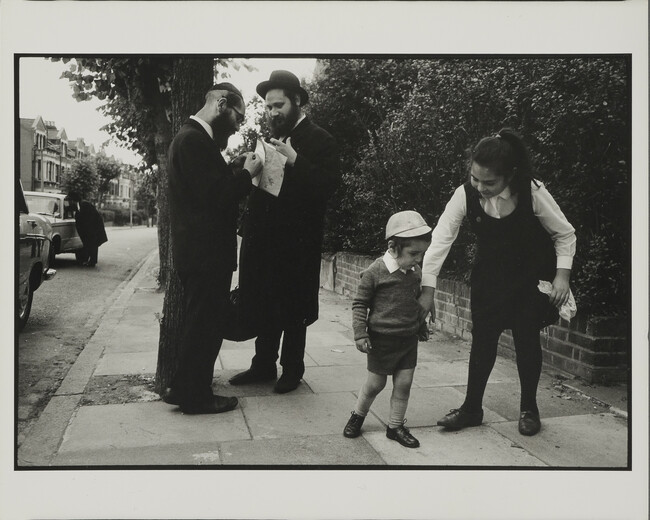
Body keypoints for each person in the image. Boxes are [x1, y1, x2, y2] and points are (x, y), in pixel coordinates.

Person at [419, 128, 576, 436]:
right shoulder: (465, 194)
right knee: (483, 342)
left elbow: (565, 233)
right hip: (489, 278)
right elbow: (440, 240)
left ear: (510, 175)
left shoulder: (533, 192)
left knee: (526, 341)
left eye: (488, 182)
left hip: (529, 279)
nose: (479, 187)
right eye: (475, 178)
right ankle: (471, 409)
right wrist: (427, 289)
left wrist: (562, 276)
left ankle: (529, 409)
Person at [229, 70, 341, 394]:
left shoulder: (321, 139)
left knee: (294, 307)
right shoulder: (268, 139)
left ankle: (292, 368)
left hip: (297, 243)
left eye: (279, 105)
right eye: (268, 107)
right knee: (265, 302)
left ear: (296, 101)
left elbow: (328, 186)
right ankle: (262, 364)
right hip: (265, 241)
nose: (273, 112)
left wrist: (296, 160)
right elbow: (264, 190)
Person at [162, 83, 263, 414]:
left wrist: (233, 169)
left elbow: (207, 187)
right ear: (222, 104)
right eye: (238, 117)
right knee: (204, 327)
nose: (238, 126)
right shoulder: (193, 140)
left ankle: (182, 387)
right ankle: (196, 397)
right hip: (204, 253)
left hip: (199, 252)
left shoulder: (194, 139)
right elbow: (216, 197)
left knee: (199, 324)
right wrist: (246, 175)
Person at [343, 211, 431, 448]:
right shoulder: (375, 271)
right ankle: (358, 415)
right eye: (413, 254)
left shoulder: (414, 273)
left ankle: (395, 426)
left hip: (407, 339)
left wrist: (420, 326)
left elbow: (414, 303)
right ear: (393, 247)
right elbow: (360, 303)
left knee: (404, 383)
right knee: (375, 384)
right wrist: (360, 333)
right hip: (381, 340)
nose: (418, 260)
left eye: (422, 254)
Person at [68, 193, 107, 267]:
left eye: (71, 200)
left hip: (93, 228)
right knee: (90, 244)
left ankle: (92, 262)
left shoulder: (85, 205)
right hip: (90, 229)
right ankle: (90, 260)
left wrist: (90, 230)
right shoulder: (79, 205)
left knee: (92, 244)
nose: (70, 202)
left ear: (74, 200)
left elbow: (90, 218)